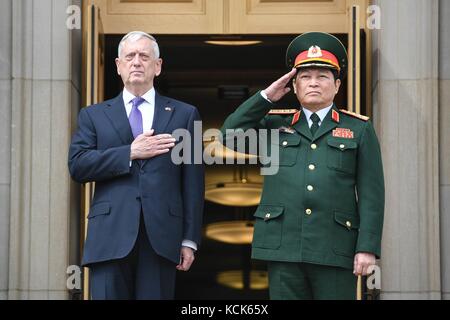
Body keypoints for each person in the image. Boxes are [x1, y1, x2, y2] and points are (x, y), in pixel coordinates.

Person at [221, 32, 384, 300]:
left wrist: (366, 247)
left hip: (334, 247)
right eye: (305, 77)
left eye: (322, 76)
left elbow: (371, 195)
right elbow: (230, 134)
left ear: (337, 85)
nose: (314, 83)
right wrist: (266, 97)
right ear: (294, 86)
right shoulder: (274, 125)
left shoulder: (359, 129)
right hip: (283, 247)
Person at [68, 31, 204, 300]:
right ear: (118, 66)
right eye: (130, 56)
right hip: (109, 237)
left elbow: (193, 181)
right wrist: (129, 152)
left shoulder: (185, 114)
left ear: (158, 65)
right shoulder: (93, 115)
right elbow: (78, 165)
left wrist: (189, 239)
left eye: (144, 56)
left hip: (162, 238)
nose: (137, 62)